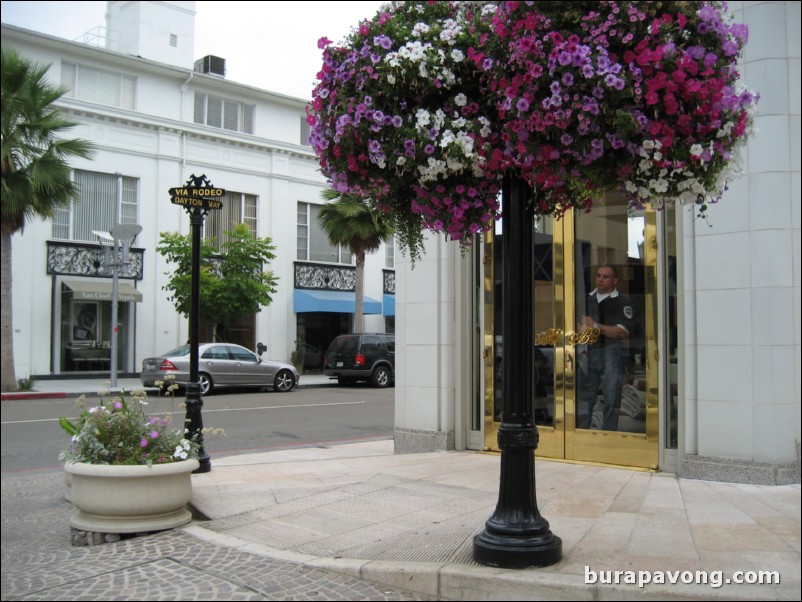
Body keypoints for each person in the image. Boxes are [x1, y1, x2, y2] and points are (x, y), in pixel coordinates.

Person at [576, 265, 634, 431]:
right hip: (588, 351)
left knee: (611, 397)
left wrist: (595, 326)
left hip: (611, 351)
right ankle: (581, 435)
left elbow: (622, 332)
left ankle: (609, 436)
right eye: (598, 276)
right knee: (584, 398)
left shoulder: (621, 301)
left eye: (605, 277)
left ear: (614, 280)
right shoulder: (585, 299)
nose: (600, 279)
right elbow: (578, 325)